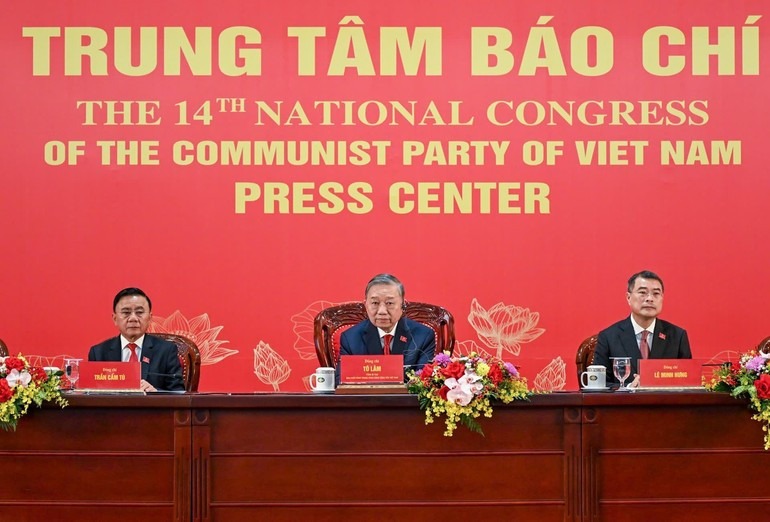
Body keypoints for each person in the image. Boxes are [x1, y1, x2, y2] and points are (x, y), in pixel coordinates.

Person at [593, 270, 692, 386]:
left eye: (656, 294)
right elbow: (598, 384)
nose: (649, 298)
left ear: (662, 298)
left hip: (665, 403)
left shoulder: (677, 336)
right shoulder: (608, 337)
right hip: (626, 403)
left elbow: (688, 382)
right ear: (628, 297)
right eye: (643, 292)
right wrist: (628, 387)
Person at [339, 274, 435, 378]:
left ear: (403, 305)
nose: (382, 311)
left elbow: (424, 382)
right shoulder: (350, 339)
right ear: (366, 305)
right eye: (375, 303)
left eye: (389, 303)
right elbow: (341, 381)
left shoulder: (423, 336)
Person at [88, 288, 185, 392]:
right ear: (115, 319)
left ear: (150, 318)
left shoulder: (166, 350)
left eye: (139, 312)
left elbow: (178, 392)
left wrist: (155, 392)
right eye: (126, 312)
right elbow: (90, 393)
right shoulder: (98, 353)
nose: (133, 318)